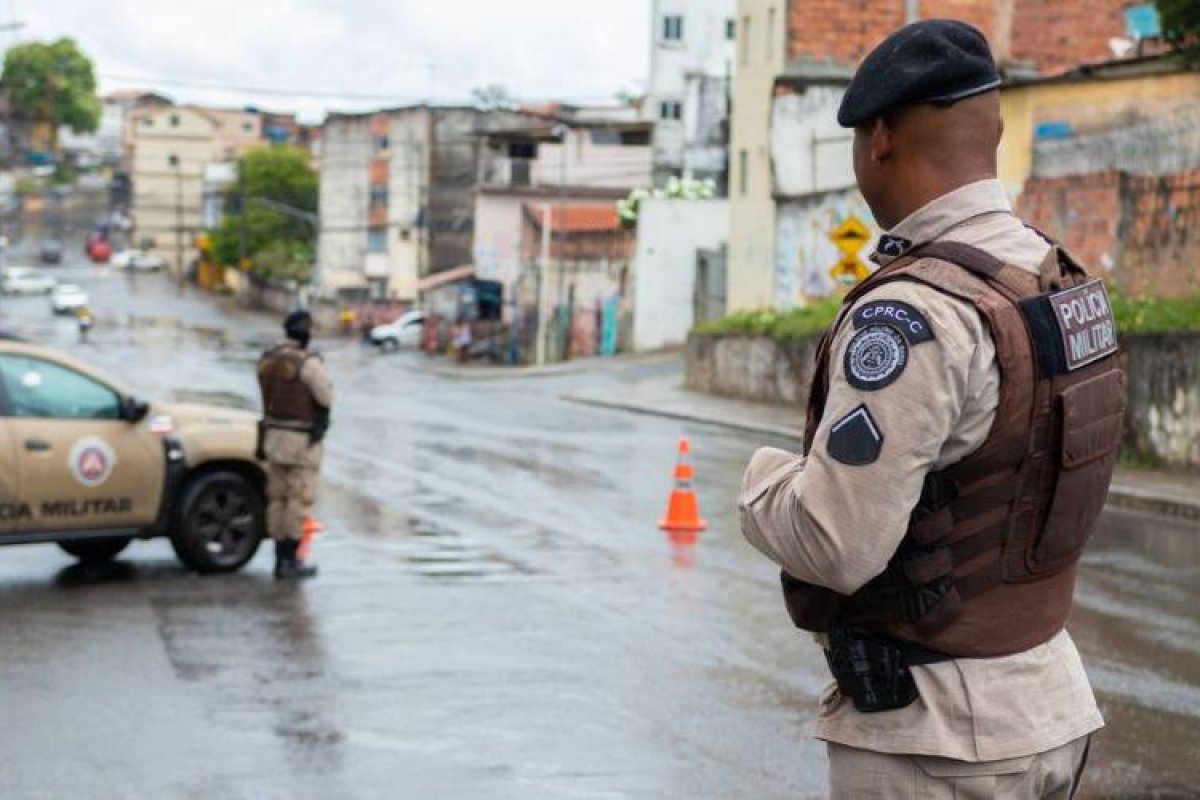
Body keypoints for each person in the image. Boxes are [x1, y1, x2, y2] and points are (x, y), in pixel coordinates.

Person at [738, 20, 1124, 799]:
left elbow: (837, 544)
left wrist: (762, 482)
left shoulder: (915, 314)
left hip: (937, 744)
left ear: (879, 138)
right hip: (1047, 704)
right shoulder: (1056, 279)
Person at [257, 310, 333, 579]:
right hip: (301, 440)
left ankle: (279, 558)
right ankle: (290, 561)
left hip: (272, 436)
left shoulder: (268, 360)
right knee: (298, 499)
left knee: (276, 498)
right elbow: (326, 397)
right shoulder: (307, 364)